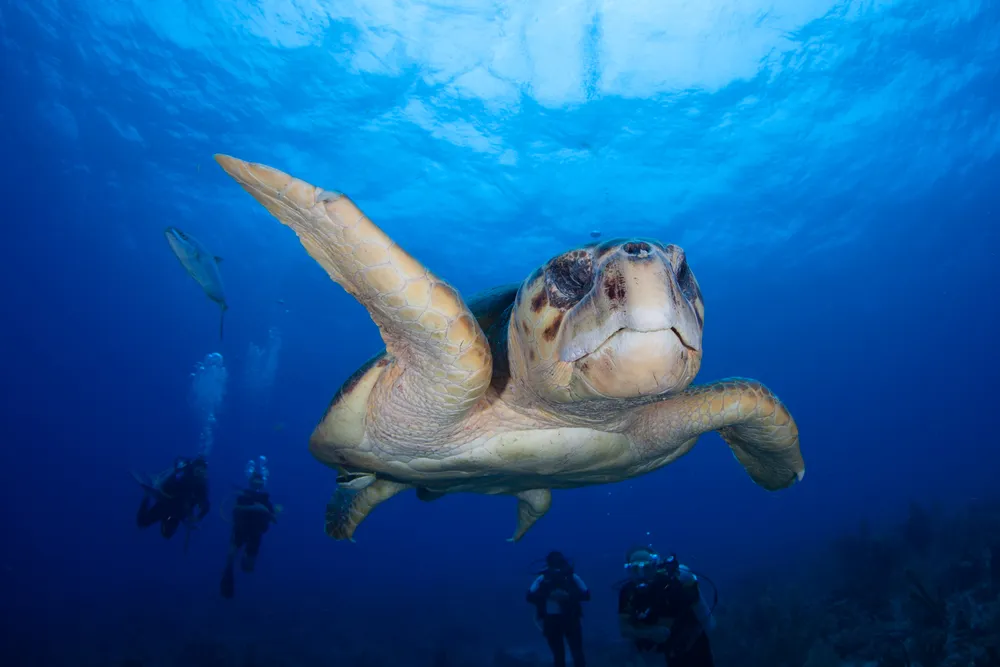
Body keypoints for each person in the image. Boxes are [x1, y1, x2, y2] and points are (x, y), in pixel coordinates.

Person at [617, 545, 716, 667]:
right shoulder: (628, 592)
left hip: (689, 647)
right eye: (635, 569)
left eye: (646, 568)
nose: (641, 575)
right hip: (667, 651)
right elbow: (624, 629)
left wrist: (642, 631)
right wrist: (649, 633)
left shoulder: (670, 586)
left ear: (655, 567)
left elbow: (664, 631)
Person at [220, 456, 277, 599]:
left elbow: (273, 518)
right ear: (251, 482)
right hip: (240, 529)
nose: (258, 483)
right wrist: (255, 508)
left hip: (256, 533)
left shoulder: (266, 501)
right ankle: (228, 576)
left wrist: (267, 511)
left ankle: (242, 565)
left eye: (260, 481)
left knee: (248, 567)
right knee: (231, 555)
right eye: (255, 481)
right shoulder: (243, 496)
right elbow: (236, 508)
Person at [526, 551, 591, 667]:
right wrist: (553, 595)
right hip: (567, 620)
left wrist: (565, 596)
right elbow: (586, 594)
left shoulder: (544, 578)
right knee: (574, 653)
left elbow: (530, 596)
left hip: (561, 620)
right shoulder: (570, 576)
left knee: (562, 655)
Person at [134, 455, 211, 539]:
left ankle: (148, 495)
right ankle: (147, 496)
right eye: (198, 470)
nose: (199, 473)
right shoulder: (183, 475)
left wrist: (198, 517)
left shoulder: (202, 485)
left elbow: (206, 505)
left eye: (202, 471)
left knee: (167, 534)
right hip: (166, 505)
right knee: (143, 523)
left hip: (179, 512)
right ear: (193, 468)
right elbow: (167, 487)